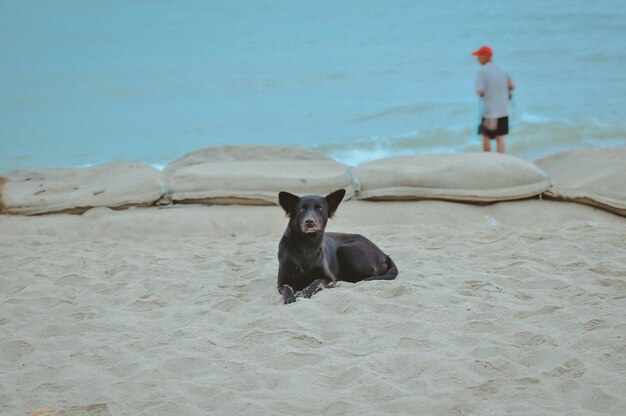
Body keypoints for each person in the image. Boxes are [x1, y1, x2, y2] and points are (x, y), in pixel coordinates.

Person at [473, 45, 515, 153]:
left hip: (490, 110)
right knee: (499, 136)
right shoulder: (503, 69)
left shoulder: (482, 71)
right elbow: (512, 86)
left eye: (479, 56)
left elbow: (480, 91)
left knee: (486, 135)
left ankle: (488, 160)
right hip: (503, 108)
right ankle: (501, 160)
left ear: (485, 57)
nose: (477, 59)